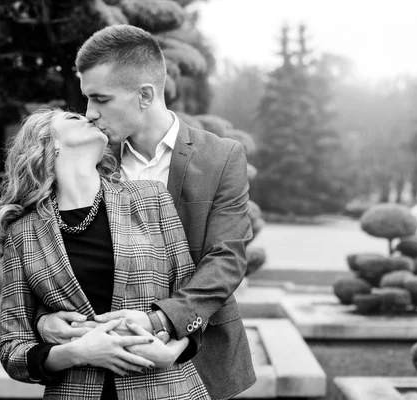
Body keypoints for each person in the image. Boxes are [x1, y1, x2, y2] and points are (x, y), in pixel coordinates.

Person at [37, 25, 256, 399]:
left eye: (101, 99)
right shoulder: (87, 157)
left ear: (145, 95)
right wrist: (44, 318)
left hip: (196, 362)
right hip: (96, 371)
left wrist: (162, 320)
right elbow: (53, 250)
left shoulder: (222, 156)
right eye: (87, 98)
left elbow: (227, 258)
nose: (89, 114)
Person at [0, 108, 210, 400]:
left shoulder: (152, 197)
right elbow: (13, 348)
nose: (90, 116)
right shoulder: (22, 234)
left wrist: (172, 351)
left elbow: (190, 299)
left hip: (168, 389)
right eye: (73, 118)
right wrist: (76, 352)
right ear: (50, 143)